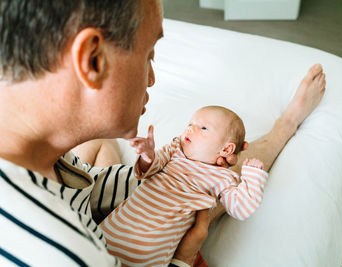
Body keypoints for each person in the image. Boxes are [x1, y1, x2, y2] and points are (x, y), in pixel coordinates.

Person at [0, 0, 325, 266]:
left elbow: (99, 185)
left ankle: (284, 126)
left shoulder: (46, 152)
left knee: (108, 152)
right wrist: (183, 256)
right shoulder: (70, 255)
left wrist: (153, 167)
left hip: (105, 194)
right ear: (93, 60)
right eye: (149, 56)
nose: (152, 78)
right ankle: (286, 126)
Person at [100, 106, 268, 266]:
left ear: (226, 149)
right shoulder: (175, 150)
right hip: (112, 231)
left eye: (203, 128)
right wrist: (148, 156)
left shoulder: (223, 177)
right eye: (190, 124)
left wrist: (253, 177)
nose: (190, 129)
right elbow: (146, 170)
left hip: (149, 251)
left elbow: (241, 209)